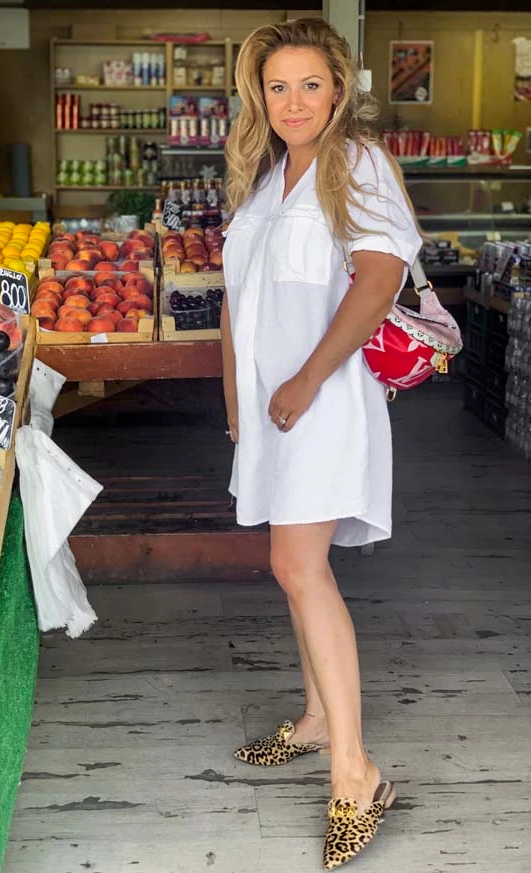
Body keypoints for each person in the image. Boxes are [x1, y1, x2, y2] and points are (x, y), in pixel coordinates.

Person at [221, 17, 422, 870]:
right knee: (291, 566)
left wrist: (305, 379)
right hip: (271, 412)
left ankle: (355, 771)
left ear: (338, 89)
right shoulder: (267, 177)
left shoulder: (356, 163)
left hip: (324, 400)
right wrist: (236, 401)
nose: (294, 102)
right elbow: (237, 301)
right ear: (259, 97)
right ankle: (312, 717)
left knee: (298, 564)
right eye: (278, 87)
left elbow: (380, 276)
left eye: (310, 84)